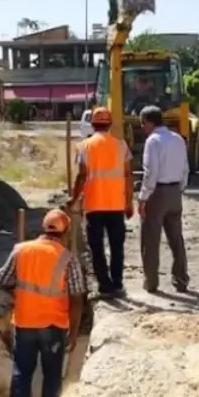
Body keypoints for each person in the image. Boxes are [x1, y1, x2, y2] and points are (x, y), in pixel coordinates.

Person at [0, 209, 87, 397]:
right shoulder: (67, 257)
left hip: (24, 322)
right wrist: (73, 332)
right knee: (52, 374)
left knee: (21, 373)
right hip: (53, 325)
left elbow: (3, 280)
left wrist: (19, 291)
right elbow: (77, 297)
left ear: (44, 229)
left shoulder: (21, 250)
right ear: (65, 233)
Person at [71, 107, 133, 297]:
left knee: (96, 247)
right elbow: (128, 175)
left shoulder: (84, 146)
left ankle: (105, 285)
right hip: (116, 205)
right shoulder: (121, 145)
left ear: (92, 124)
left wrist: (73, 199)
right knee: (117, 247)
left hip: (94, 205)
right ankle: (117, 284)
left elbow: (82, 176)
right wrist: (129, 202)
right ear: (110, 123)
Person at [137, 106, 190, 293]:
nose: (142, 127)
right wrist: (179, 188)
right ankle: (181, 279)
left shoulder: (153, 141)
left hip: (157, 193)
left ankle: (151, 283)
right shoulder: (178, 139)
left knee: (151, 240)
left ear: (150, 122)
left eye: (143, 123)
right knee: (177, 239)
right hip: (175, 191)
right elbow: (185, 168)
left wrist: (143, 197)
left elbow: (151, 173)